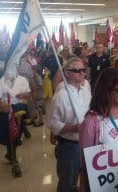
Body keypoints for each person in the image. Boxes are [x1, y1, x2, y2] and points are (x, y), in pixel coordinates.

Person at [48, 58, 91, 192]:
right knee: (67, 182)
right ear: (67, 73)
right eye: (76, 70)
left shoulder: (86, 90)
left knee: (83, 177)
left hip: (88, 143)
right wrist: (72, 128)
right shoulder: (61, 95)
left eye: (83, 70)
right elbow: (52, 122)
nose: (81, 73)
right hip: (69, 146)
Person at [0, 67, 31, 178]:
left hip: (21, 108)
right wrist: (1, 107)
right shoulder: (2, 81)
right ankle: (14, 162)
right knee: (11, 136)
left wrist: (24, 95)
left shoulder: (23, 79)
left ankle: (10, 154)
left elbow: (28, 93)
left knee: (18, 136)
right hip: (8, 109)